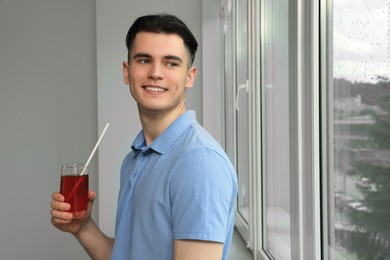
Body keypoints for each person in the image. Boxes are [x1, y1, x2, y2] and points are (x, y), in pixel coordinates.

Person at [50, 13, 238, 260]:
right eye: (144, 60)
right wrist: (83, 227)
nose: (156, 73)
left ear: (189, 77)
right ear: (127, 72)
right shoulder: (135, 158)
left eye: (171, 63)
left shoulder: (198, 162)